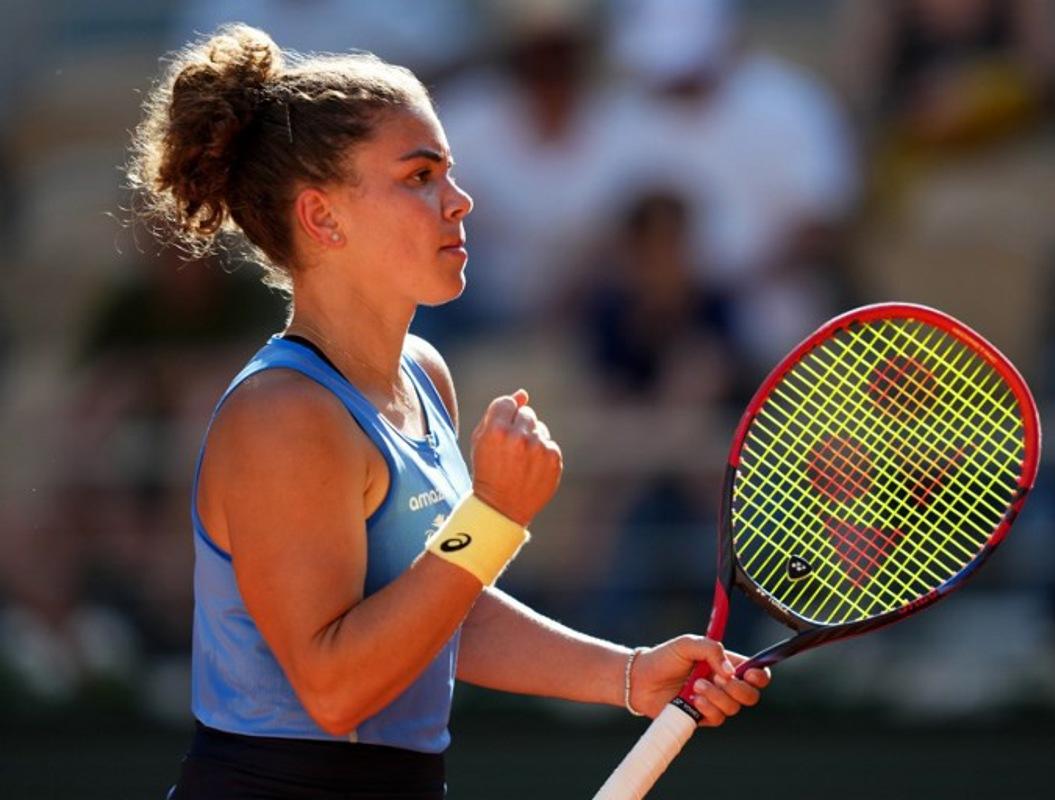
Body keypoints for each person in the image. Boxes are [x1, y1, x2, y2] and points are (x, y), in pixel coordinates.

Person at [126, 25, 770, 799]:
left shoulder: (424, 374)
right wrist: (493, 516)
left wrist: (627, 675)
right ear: (323, 218)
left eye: (449, 173)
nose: (459, 200)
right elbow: (334, 686)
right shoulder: (283, 415)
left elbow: (437, 611)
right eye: (420, 175)